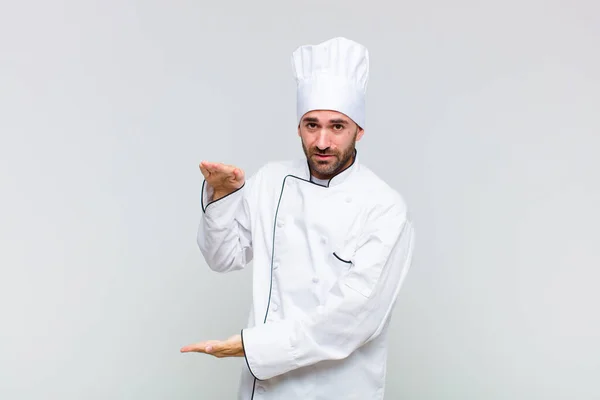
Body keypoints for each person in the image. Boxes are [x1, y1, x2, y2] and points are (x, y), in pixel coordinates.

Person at [181, 37, 415, 400]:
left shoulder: (384, 207)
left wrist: (249, 346)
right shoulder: (271, 181)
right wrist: (224, 197)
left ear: (360, 130)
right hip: (264, 390)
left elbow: (353, 318)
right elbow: (222, 257)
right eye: (311, 125)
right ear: (298, 127)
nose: (322, 141)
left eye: (337, 126)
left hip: (338, 390)